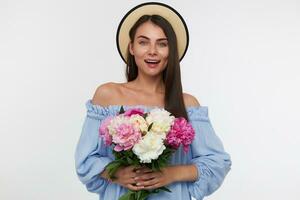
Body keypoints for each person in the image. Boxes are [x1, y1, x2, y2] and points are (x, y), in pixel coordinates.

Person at [75, 2, 231, 200]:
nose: (152, 51)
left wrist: (171, 173)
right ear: (131, 47)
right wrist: (117, 173)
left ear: (170, 51)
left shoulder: (188, 104)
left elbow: (217, 162)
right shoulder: (108, 95)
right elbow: (85, 160)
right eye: (143, 42)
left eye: (162, 43)